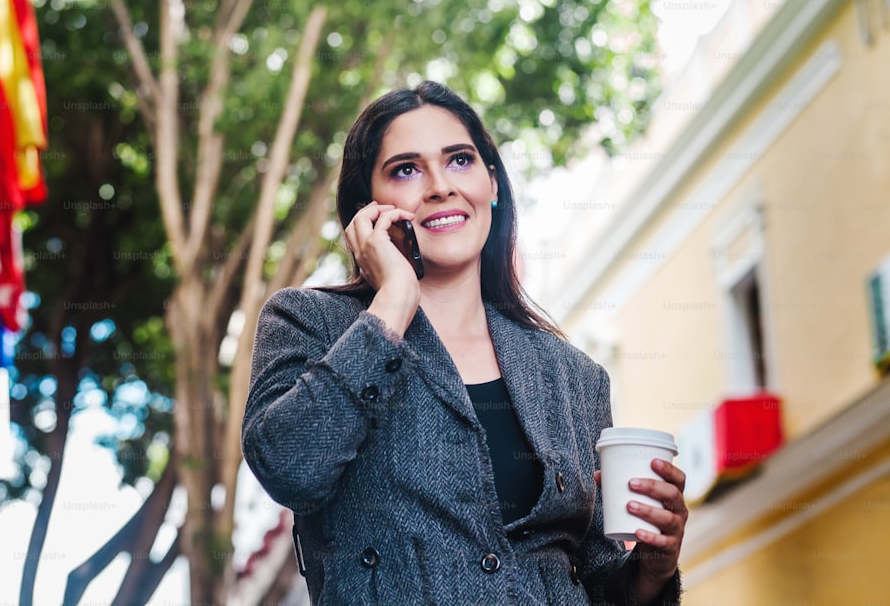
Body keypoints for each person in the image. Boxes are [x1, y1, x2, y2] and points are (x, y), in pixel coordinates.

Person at [241, 80, 687, 605]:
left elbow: (597, 582)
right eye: (406, 170)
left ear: (492, 184)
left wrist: (652, 571)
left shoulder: (574, 377)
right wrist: (394, 302)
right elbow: (290, 468)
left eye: (458, 160)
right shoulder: (309, 323)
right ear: (369, 207)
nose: (439, 186)